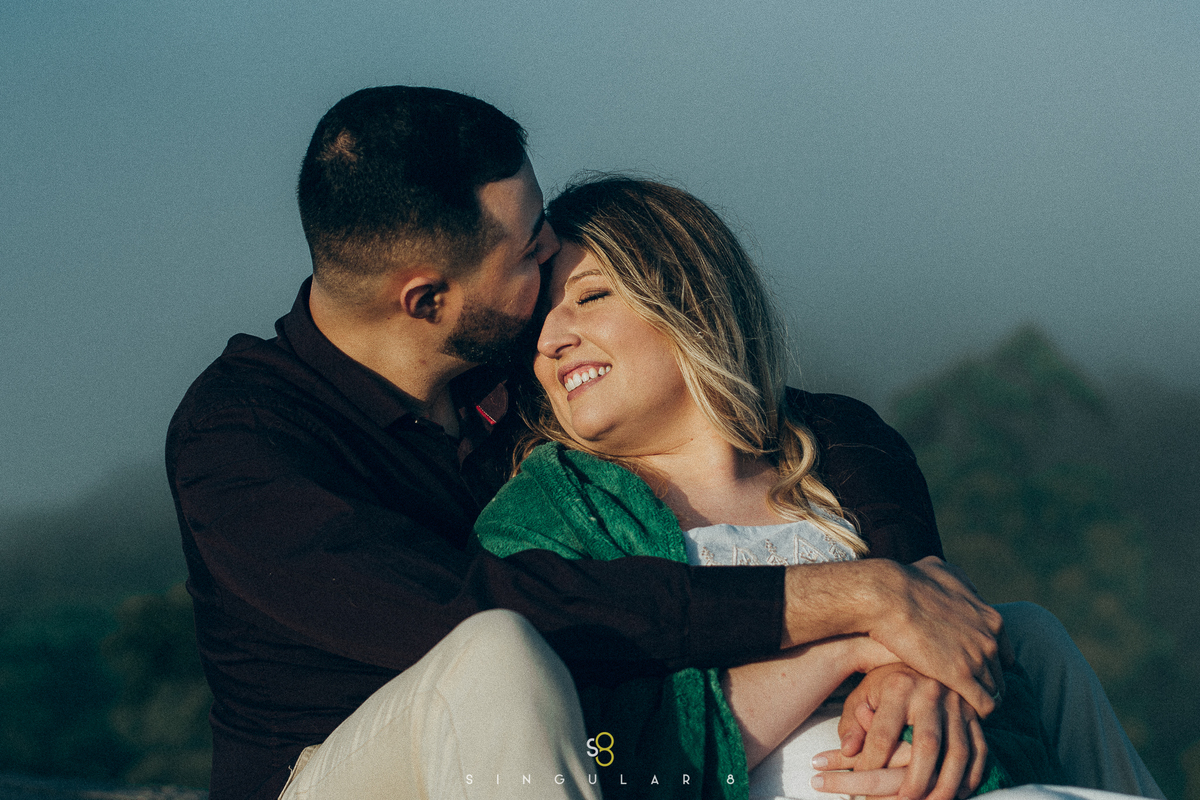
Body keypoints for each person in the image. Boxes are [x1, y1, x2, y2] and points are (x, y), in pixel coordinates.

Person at [166, 85, 1158, 800]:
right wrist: (844, 601)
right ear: (426, 297)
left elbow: (817, 424)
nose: (551, 260)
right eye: (530, 254)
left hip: (559, 744)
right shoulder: (240, 442)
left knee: (1024, 631)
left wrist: (907, 599)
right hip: (346, 772)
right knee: (495, 655)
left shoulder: (509, 365)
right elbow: (481, 607)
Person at [473, 176, 1063, 799]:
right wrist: (851, 648)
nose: (550, 340)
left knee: (1033, 634)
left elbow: (999, 692)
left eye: (590, 296)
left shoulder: (834, 475)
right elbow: (589, 755)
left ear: (690, 298)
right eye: (536, 327)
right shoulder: (544, 514)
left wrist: (931, 690)